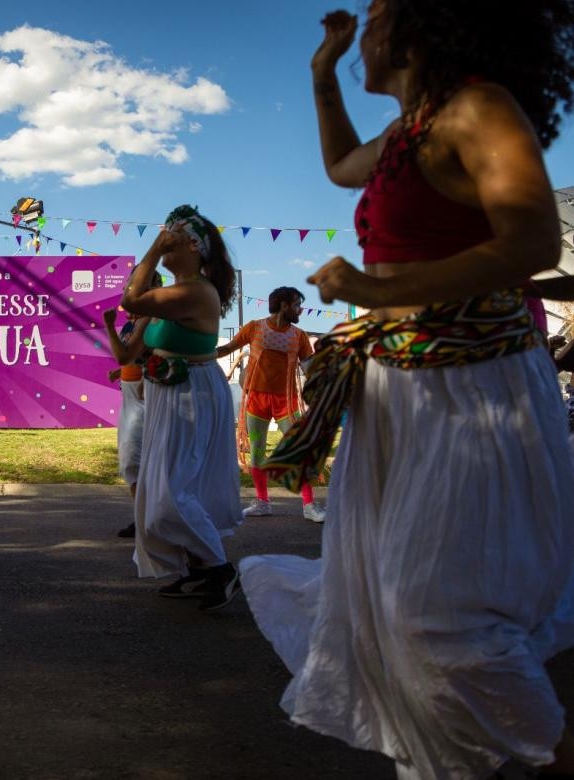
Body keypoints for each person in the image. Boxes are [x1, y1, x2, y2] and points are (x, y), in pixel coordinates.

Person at [240, 4, 574, 778]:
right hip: (399, 391)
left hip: (471, 386)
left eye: (379, 13)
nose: (365, 24)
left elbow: (531, 239)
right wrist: (324, 77)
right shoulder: (405, 134)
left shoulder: (477, 107)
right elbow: (339, 167)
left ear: (429, 26)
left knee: (439, 622)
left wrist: (379, 287)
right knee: (387, 611)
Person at [121, 205, 242, 611]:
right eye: (164, 236)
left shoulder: (195, 290)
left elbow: (131, 299)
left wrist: (155, 248)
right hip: (168, 392)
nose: (166, 241)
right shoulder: (175, 293)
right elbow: (134, 330)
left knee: (171, 491)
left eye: (174, 237)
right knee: (163, 486)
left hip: (191, 392)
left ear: (193, 246)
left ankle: (220, 568)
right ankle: (198, 568)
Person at [215, 287, 325, 523]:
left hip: (287, 402)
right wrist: (197, 355)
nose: (300, 310)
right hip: (256, 401)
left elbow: (309, 367)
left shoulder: (299, 336)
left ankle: (309, 505)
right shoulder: (255, 328)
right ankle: (262, 502)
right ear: (283, 305)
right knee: (256, 452)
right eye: (296, 305)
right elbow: (227, 349)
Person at [103, 269, 162, 539]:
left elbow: (140, 355)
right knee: (132, 461)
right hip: (131, 393)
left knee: (134, 460)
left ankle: (147, 522)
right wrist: (122, 373)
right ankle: (143, 518)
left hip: (144, 395)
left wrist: (108, 325)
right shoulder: (134, 321)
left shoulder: (152, 319)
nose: (130, 288)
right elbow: (130, 359)